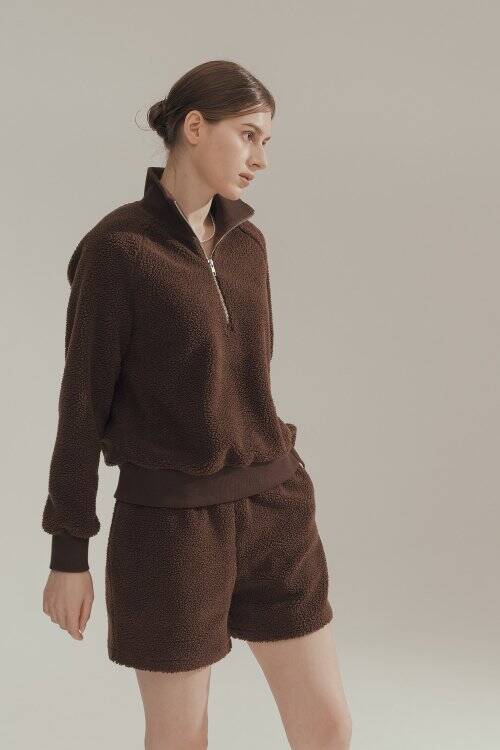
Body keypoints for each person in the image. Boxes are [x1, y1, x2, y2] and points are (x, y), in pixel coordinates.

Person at [41, 59, 352, 750]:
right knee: (182, 738)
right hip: (171, 530)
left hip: (275, 512)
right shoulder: (118, 251)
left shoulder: (248, 247)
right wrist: (69, 551)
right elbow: (82, 403)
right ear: (193, 126)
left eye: (266, 141)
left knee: (329, 726)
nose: (261, 159)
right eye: (249, 135)